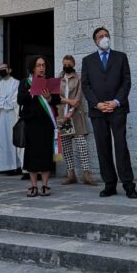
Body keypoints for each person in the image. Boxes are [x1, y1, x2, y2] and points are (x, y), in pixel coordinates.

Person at [81, 28, 137, 199]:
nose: (104, 38)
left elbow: (126, 81)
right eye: (100, 37)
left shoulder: (120, 57)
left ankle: (128, 185)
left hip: (117, 108)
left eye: (106, 36)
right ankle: (110, 184)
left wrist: (115, 101)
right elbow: (86, 85)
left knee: (121, 146)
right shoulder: (88, 60)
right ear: (95, 41)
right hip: (98, 110)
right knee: (103, 147)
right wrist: (97, 104)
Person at [18, 56, 60, 197]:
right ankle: (33, 185)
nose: (41, 68)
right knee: (32, 154)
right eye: (38, 65)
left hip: (46, 123)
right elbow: (20, 100)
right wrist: (31, 92)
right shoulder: (25, 83)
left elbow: (57, 100)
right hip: (31, 123)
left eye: (43, 65)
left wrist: (49, 98)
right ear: (33, 67)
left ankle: (45, 185)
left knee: (45, 153)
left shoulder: (50, 82)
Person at [57, 55, 97, 186]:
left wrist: (71, 110)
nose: (66, 66)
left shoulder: (78, 78)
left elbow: (78, 98)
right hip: (63, 115)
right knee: (67, 146)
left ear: (73, 65)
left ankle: (87, 174)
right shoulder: (58, 78)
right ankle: (71, 174)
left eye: (69, 64)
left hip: (75, 115)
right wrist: (68, 102)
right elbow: (57, 96)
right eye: (64, 64)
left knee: (81, 145)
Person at [0, 62, 21, 174]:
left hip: (13, 114)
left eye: (4, 68)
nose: (2, 70)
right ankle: (5, 166)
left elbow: (16, 98)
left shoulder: (17, 83)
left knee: (13, 138)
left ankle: (17, 165)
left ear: (10, 70)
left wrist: (5, 101)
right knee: (3, 140)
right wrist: (5, 102)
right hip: (1, 116)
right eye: (1, 69)